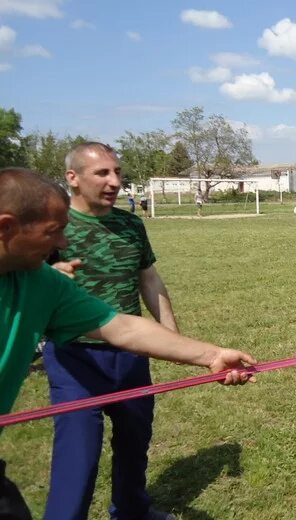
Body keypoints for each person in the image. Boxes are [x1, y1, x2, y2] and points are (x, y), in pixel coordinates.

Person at [0, 167, 254, 520]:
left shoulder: (43, 283)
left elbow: (121, 328)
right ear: (6, 227)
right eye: (52, 232)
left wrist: (212, 355)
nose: (61, 244)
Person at [41, 142, 186, 520]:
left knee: (135, 443)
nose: (114, 181)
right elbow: (19, 284)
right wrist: (45, 278)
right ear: (72, 178)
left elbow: (149, 279)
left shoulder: (130, 224)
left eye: (117, 172)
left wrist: (173, 338)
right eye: (102, 173)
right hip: (75, 359)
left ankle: (132, 510)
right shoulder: (51, 228)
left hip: (130, 354)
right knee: (79, 455)